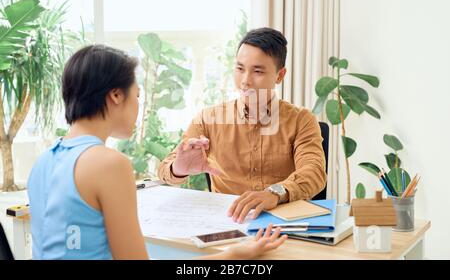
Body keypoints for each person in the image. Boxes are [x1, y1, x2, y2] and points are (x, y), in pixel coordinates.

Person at [27, 45, 287, 260]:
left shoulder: (43, 161)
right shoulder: (109, 164)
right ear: (116, 95)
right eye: (137, 96)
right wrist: (235, 255)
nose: (138, 106)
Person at [158, 27, 327, 224]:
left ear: (280, 75)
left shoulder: (301, 120)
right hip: (227, 223)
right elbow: (164, 172)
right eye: (239, 69)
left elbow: (314, 172)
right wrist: (179, 168)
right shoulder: (207, 119)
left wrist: (274, 193)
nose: (245, 81)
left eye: (257, 71)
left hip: (284, 225)